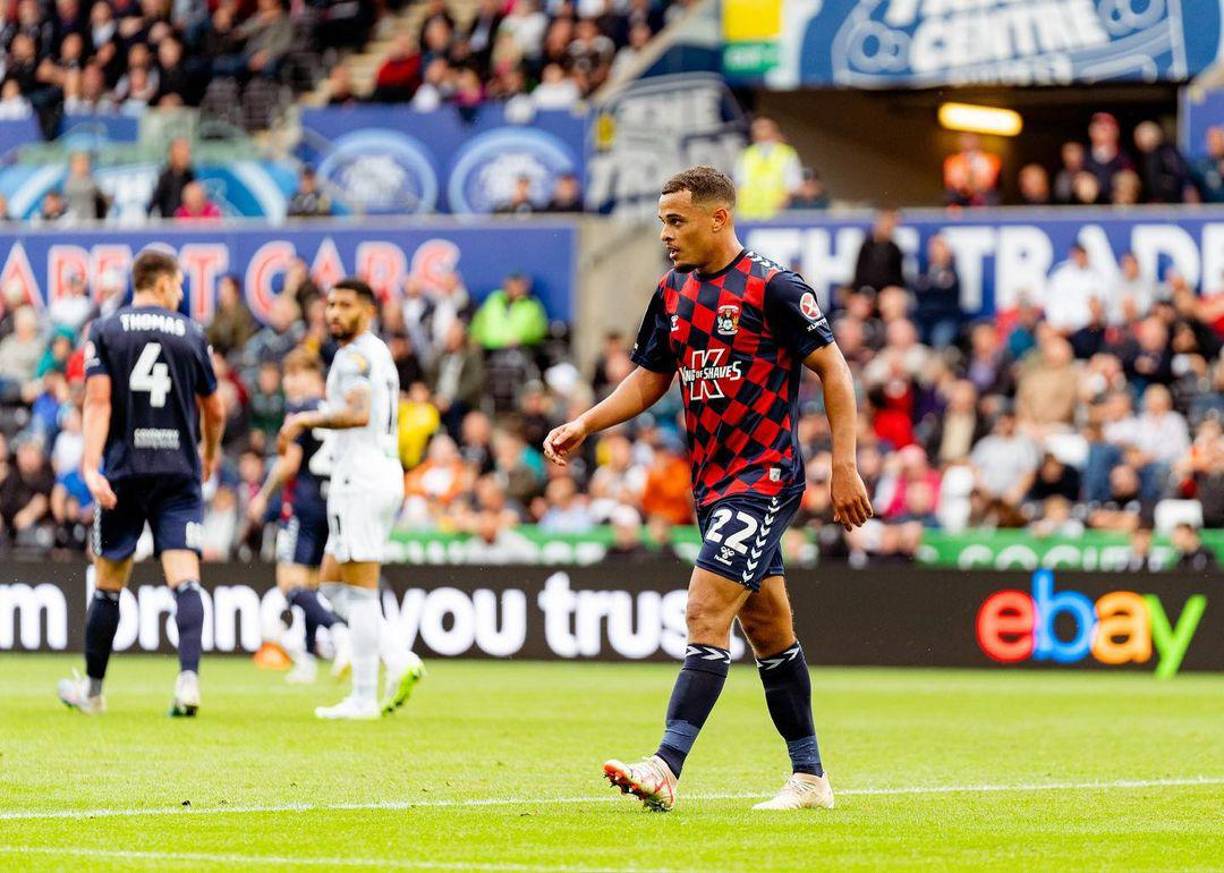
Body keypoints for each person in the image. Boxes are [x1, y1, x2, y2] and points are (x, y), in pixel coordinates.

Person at [543, 166, 872, 812]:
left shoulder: (773, 287)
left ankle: (666, 765)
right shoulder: (673, 293)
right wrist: (586, 420)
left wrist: (845, 463)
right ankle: (809, 777)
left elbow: (832, 365)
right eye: (663, 221)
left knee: (702, 609)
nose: (666, 234)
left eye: (676, 220)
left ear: (719, 218)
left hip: (765, 475)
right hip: (713, 485)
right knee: (770, 629)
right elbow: (648, 378)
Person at [57, 249, 225, 717]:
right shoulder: (192, 333)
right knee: (185, 578)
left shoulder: (106, 329)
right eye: (180, 283)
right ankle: (188, 681)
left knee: (109, 582)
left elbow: (97, 402)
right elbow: (215, 409)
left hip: (123, 471)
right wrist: (208, 454)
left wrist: (92, 467)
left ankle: (92, 691)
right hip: (178, 472)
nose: (183, 292)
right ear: (163, 281)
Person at [277, 278, 424, 720]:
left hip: (361, 478)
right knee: (333, 585)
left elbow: (358, 413)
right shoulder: (372, 352)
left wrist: (305, 419)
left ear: (368, 311)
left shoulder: (355, 355)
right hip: (369, 474)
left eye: (345, 305)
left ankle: (363, 697)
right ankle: (396, 657)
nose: (334, 313)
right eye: (330, 305)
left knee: (358, 592)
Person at [248, 350, 348, 684]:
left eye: (296, 375)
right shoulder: (334, 409)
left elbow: (290, 463)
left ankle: (337, 631)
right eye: (287, 376)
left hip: (302, 504)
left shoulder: (300, 411)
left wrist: (264, 495)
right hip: (330, 503)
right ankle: (306, 659)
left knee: (289, 584)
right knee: (309, 584)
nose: (290, 383)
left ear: (313, 377)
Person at [734, 116, 802, 220]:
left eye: (763, 127)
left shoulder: (786, 154)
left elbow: (792, 186)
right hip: (747, 215)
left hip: (776, 216)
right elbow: (739, 186)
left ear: (774, 131)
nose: (759, 131)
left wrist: (777, 212)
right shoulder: (746, 155)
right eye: (757, 128)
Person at [852, 208, 905, 294]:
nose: (887, 227)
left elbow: (898, 280)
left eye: (890, 225)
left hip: (887, 294)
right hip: (866, 292)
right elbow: (859, 276)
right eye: (885, 224)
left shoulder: (895, 250)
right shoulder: (866, 247)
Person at [147, 137, 195, 218]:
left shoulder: (190, 175)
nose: (185, 155)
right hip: (168, 224)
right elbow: (155, 200)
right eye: (181, 152)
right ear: (173, 154)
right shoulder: (165, 176)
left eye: (186, 152)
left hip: (186, 224)